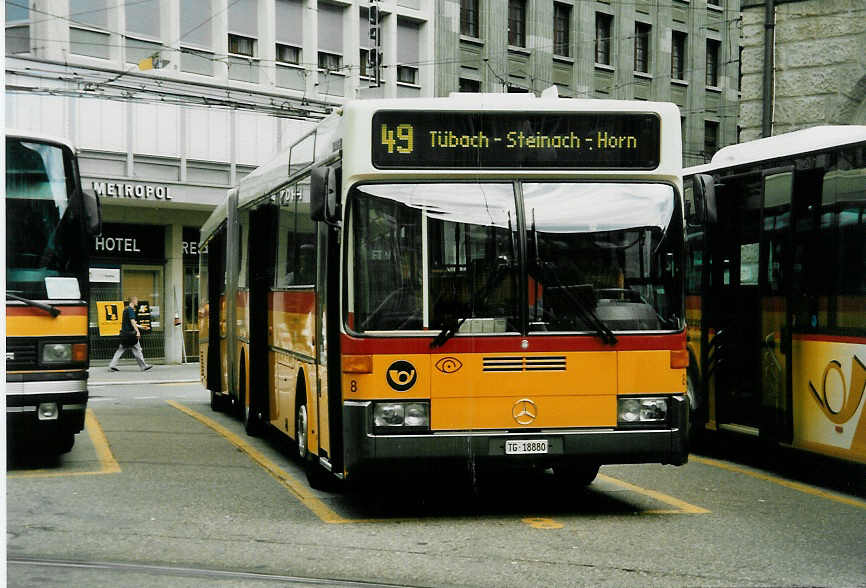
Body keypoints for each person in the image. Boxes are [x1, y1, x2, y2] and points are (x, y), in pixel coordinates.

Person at [108, 296, 153, 372]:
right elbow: (132, 322)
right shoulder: (131, 310)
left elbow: (132, 322)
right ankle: (143, 366)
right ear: (133, 301)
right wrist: (138, 331)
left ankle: (112, 365)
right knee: (137, 349)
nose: (137, 302)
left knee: (121, 349)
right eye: (136, 300)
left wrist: (142, 327)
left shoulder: (125, 310)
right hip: (131, 334)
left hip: (125, 334)